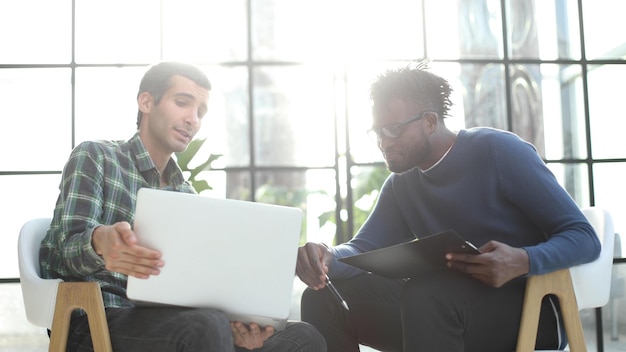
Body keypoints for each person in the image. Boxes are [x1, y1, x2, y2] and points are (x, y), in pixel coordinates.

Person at [295, 62, 601, 352]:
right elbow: (363, 248)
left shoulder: (499, 152)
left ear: (430, 121)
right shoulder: (402, 185)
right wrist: (328, 256)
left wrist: (522, 260)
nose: (384, 143)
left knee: (426, 294)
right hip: (440, 308)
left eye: (394, 129)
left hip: (531, 309)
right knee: (322, 298)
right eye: (378, 132)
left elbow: (584, 237)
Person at [40, 61, 326, 352]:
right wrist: (100, 242)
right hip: (97, 319)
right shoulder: (96, 157)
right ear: (147, 102)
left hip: (178, 322)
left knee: (304, 337)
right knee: (206, 326)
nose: (193, 119)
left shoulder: (185, 193)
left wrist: (236, 326)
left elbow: (198, 283)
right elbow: (63, 252)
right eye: (183, 103)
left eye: (201, 112)